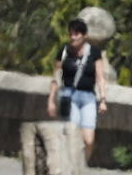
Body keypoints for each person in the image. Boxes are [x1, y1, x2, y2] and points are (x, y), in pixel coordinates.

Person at [46, 17, 109, 161]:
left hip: (88, 97)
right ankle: (71, 164)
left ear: (84, 35)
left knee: (88, 140)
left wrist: (103, 99)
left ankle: (83, 164)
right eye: (71, 34)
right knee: (73, 134)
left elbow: (100, 77)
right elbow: (56, 77)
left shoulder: (94, 52)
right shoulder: (64, 51)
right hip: (69, 96)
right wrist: (51, 100)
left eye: (77, 34)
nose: (73, 37)